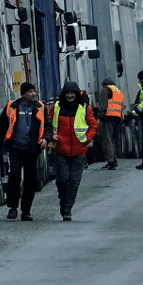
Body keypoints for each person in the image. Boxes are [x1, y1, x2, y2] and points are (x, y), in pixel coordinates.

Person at [46, 81, 97, 220]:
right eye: (67, 93)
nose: (70, 96)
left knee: (74, 181)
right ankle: (63, 203)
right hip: (61, 150)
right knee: (62, 180)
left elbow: (93, 125)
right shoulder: (56, 107)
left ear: (76, 94)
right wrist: (52, 136)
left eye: (72, 93)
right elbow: (48, 125)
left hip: (79, 151)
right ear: (63, 94)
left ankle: (67, 208)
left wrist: (86, 139)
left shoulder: (84, 108)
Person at [0, 82, 44, 221]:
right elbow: (2, 127)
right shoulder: (12, 107)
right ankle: (13, 208)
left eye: (34, 91)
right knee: (14, 177)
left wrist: (45, 139)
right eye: (30, 92)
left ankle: (26, 211)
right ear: (23, 94)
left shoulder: (39, 108)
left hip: (32, 150)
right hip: (16, 149)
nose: (33, 94)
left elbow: (47, 125)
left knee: (30, 181)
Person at [99, 78, 124, 169]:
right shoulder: (118, 91)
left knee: (107, 140)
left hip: (108, 117)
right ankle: (114, 159)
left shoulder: (106, 90)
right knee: (112, 140)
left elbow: (103, 104)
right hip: (117, 118)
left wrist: (100, 115)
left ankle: (111, 161)